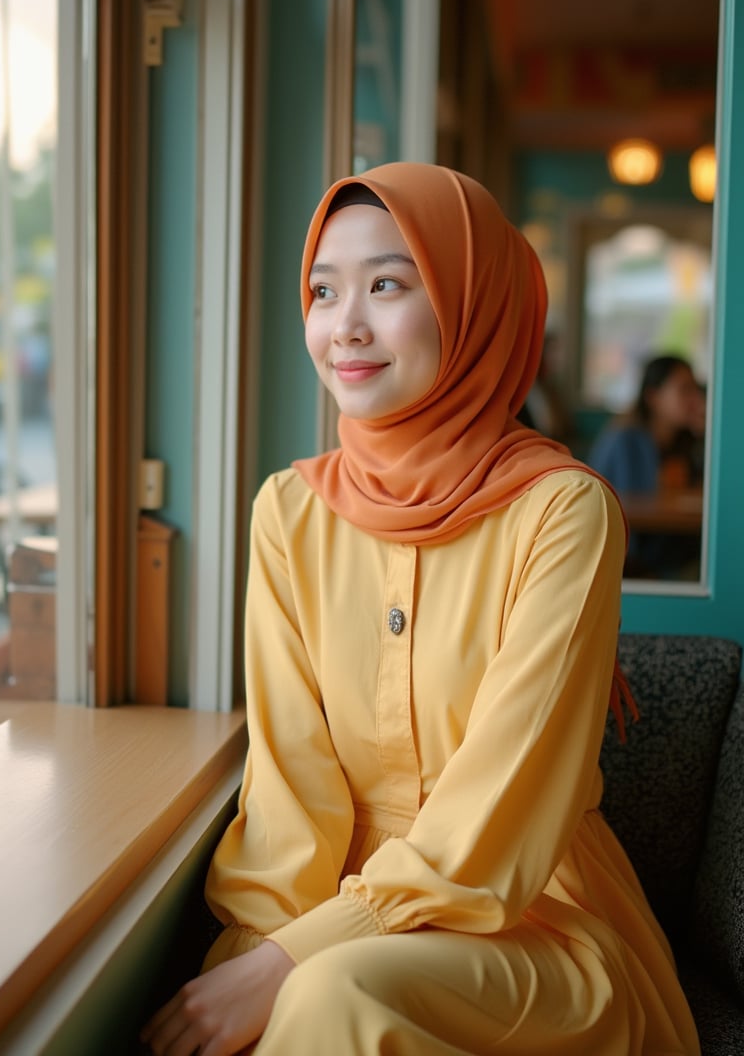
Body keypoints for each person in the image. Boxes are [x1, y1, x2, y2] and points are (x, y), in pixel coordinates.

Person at [142, 163, 699, 1055]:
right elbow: (290, 788)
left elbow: (502, 816)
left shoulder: (563, 511)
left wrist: (294, 962)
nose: (344, 326)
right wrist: (256, 950)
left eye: (388, 285)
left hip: (529, 928)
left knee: (329, 996)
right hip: (329, 921)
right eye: (323, 291)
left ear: (471, 305)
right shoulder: (289, 512)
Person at [588, 355, 703, 577]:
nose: (695, 398)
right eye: (684, 390)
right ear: (654, 397)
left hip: (670, 548)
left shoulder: (684, 441)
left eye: (695, 389)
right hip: (632, 562)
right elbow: (637, 509)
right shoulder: (626, 439)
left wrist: (706, 438)